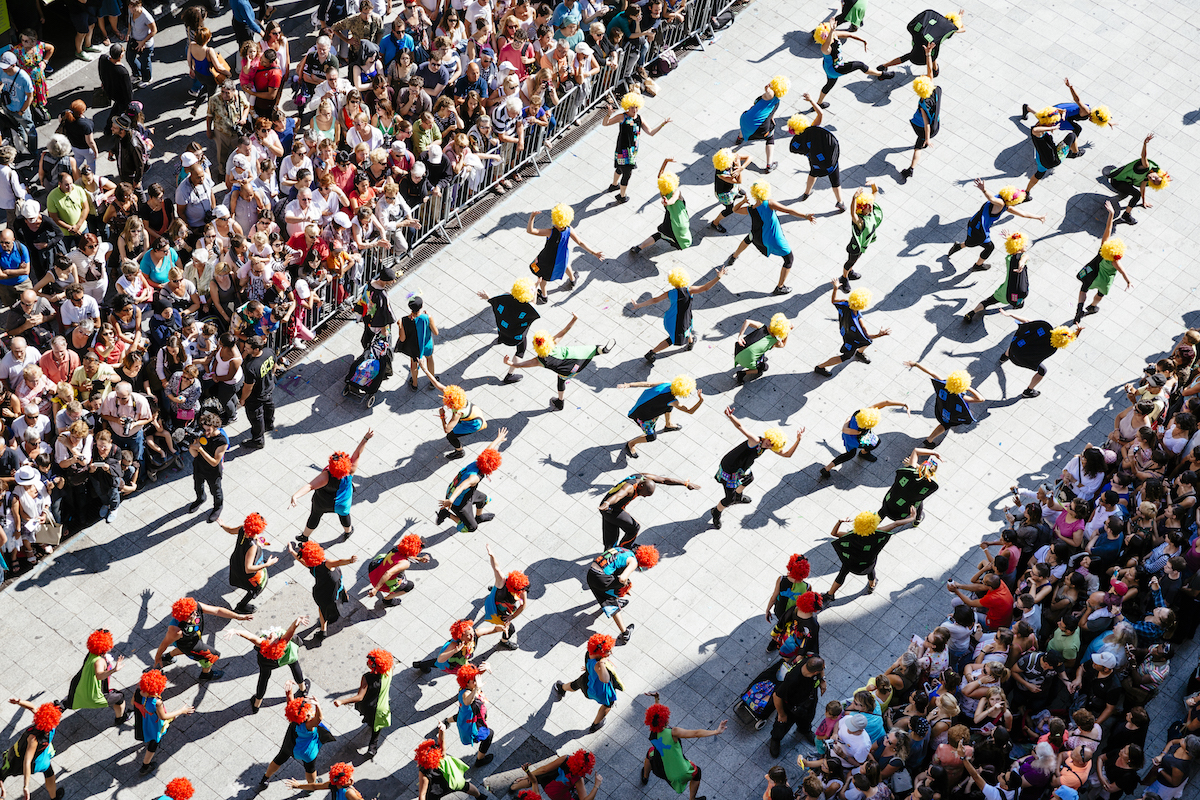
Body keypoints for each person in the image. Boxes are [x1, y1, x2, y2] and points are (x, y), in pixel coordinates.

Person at [710, 408, 803, 529]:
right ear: (768, 436)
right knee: (729, 499)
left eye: (773, 444)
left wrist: (798, 441)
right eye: (770, 440)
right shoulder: (755, 441)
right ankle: (716, 512)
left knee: (749, 478)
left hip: (741, 468)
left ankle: (738, 496)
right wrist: (731, 416)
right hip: (730, 468)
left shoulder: (768, 447)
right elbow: (740, 426)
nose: (769, 444)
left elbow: (787, 454)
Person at [503, 313, 614, 410]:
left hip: (571, 371)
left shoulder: (539, 360)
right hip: (580, 357)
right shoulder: (552, 343)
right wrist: (574, 319)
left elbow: (521, 365)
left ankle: (560, 402)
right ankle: (603, 350)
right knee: (594, 349)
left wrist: (509, 363)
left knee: (561, 381)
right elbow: (565, 330)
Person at [721, 181, 814, 295]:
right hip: (774, 240)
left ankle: (734, 257)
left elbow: (735, 210)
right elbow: (788, 210)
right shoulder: (770, 203)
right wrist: (805, 216)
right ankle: (780, 287)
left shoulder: (751, 209)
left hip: (757, 236)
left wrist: (743, 201)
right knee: (789, 259)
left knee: (748, 239)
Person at [290, 430, 373, 542]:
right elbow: (357, 453)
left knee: (315, 516)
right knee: (344, 516)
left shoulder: (325, 476)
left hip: (322, 502)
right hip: (342, 503)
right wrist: (365, 439)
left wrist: (295, 496)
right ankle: (348, 532)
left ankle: (304, 536)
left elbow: (310, 486)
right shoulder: (350, 470)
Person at [631, 266, 725, 364]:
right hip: (678, 322)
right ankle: (652, 353)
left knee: (688, 328)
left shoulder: (670, 293)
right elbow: (705, 287)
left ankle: (690, 343)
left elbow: (655, 300)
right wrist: (718, 277)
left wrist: (639, 305)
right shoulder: (689, 290)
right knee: (673, 339)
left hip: (671, 318)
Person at [641, 695, 728, 800]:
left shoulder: (654, 730)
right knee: (697, 772)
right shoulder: (673, 732)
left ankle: (645, 777)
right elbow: (696, 733)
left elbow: (656, 716)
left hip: (658, 767)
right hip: (676, 774)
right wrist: (715, 731)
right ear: (665, 719)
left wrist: (656, 699)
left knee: (650, 752)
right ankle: (692, 799)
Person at [947, 179, 1045, 271]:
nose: (1016, 204)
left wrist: (1039, 217)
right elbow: (992, 199)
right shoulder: (1000, 203)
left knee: (986, 246)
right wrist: (984, 190)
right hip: (978, 230)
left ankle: (968, 255)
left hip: (977, 225)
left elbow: (1023, 214)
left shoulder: (1004, 203)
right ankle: (974, 262)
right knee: (979, 245)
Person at [823, 510, 918, 602]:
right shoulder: (878, 533)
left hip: (851, 563)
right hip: (867, 563)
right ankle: (871, 586)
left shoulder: (851, 535)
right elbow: (895, 524)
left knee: (842, 574)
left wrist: (840, 522)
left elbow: (834, 533)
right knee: (871, 571)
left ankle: (830, 594)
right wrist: (912, 518)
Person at [225, 616, 309, 712]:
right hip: (288, 657)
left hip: (267, 663)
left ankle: (256, 705)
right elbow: (291, 630)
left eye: (269, 637)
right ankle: (303, 690)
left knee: (263, 678)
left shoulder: (262, 643)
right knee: (294, 666)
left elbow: (249, 636)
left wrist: (236, 631)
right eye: (270, 637)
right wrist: (296, 623)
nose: (271, 634)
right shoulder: (284, 641)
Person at [526, 203, 604, 304]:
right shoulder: (569, 229)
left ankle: (544, 296)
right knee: (566, 265)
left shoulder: (550, 232)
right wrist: (594, 253)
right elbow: (580, 242)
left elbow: (530, 231)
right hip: (562, 256)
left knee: (542, 278)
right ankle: (572, 280)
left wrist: (532, 217)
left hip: (547, 259)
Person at [598, 471, 698, 548]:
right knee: (634, 528)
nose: (644, 497)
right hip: (611, 509)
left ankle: (612, 554)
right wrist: (607, 503)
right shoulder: (630, 488)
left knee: (610, 543)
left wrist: (685, 483)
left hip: (607, 508)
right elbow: (618, 495)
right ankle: (625, 549)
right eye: (644, 494)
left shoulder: (643, 477)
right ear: (641, 486)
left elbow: (664, 480)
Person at [602, 91, 670, 203]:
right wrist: (608, 114)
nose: (634, 110)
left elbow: (651, 132)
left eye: (636, 107)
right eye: (632, 107)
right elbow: (605, 123)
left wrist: (662, 124)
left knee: (620, 168)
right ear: (627, 106)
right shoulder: (622, 117)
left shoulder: (640, 118)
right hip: (623, 150)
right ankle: (622, 196)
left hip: (632, 152)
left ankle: (614, 185)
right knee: (626, 174)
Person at [585, 543, 659, 644]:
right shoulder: (633, 561)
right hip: (602, 578)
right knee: (615, 595)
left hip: (591, 574)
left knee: (604, 593)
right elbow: (622, 578)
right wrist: (625, 585)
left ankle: (616, 600)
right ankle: (625, 633)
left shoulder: (623, 550)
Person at [811, 18, 893, 110]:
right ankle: (881, 74)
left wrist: (863, 40)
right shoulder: (825, 48)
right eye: (829, 33)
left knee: (829, 84)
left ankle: (818, 104)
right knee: (860, 65)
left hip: (829, 66)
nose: (832, 34)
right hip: (835, 68)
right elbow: (828, 41)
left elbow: (849, 35)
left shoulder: (834, 35)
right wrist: (831, 30)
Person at [436, 428, 507, 532]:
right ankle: (446, 514)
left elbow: (488, 449)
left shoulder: (478, 461)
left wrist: (498, 439)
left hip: (464, 493)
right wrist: (451, 500)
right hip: (458, 502)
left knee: (483, 499)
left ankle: (479, 517)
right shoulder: (474, 478)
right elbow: (461, 486)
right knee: (472, 527)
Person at [1073, 202, 1132, 324]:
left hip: (1091, 273)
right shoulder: (1115, 261)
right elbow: (1123, 272)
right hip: (1104, 280)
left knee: (1084, 289)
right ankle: (1092, 306)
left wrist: (1111, 214)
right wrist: (1128, 282)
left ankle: (1079, 309)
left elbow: (1108, 229)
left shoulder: (1103, 249)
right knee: (1100, 294)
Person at [996, 314, 1082, 398]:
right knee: (1043, 371)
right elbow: (1068, 338)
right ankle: (1028, 391)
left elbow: (1027, 321)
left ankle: (1004, 357)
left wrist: (1010, 314)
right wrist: (1077, 333)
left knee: (1020, 340)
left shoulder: (1044, 327)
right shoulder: (1052, 349)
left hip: (1014, 349)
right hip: (1021, 360)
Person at [618, 376, 703, 458]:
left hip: (640, 407)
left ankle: (668, 425)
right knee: (651, 437)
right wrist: (700, 401)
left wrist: (629, 384)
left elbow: (649, 384)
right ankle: (631, 444)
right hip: (643, 417)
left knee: (669, 406)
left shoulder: (667, 383)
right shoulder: (673, 401)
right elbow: (690, 411)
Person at [903, 361, 985, 446]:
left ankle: (930, 440)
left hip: (940, 409)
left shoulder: (944, 384)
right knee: (948, 423)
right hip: (951, 416)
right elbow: (981, 399)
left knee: (945, 424)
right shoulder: (962, 397)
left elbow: (931, 372)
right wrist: (968, 387)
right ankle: (930, 439)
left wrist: (916, 364)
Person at [288, 539, 356, 641]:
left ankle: (323, 629)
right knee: (325, 610)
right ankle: (323, 630)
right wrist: (350, 560)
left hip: (321, 592)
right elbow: (339, 562)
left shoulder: (312, 567)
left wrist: (292, 551)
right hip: (333, 590)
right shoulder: (327, 564)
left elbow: (300, 560)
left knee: (323, 609)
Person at [819, 401, 908, 479]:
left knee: (873, 443)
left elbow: (885, 403)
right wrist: (847, 422)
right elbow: (844, 429)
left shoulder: (862, 413)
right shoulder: (857, 431)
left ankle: (863, 453)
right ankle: (828, 468)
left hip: (854, 437)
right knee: (851, 454)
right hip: (852, 440)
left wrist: (904, 404)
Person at [258, 685, 323, 789]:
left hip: (289, 745)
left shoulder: (294, 718)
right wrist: (318, 705)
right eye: (308, 710)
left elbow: (290, 703)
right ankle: (310, 787)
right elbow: (319, 719)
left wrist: (289, 690)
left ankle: (265, 778)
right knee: (310, 769)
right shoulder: (309, 725)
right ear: (305, 715)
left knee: (278, 759)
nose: (310, 710)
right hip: (306, 751)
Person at [332, 649, 393, 759]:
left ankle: (372, 747)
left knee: (374, 726)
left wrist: (342, 701)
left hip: (369, 706)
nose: (367, 662)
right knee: (377, 726)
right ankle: (372, 748)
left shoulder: (367, 677)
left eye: (370, 661)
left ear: (374, 666)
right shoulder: (388, 672)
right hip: (381, 707)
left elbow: (359, 697)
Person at [477, 279, 540, 383]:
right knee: (520, 351)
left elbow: (496, 302)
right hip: (516, 338)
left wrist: (488, 297)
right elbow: (534, 302)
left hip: (502, 330)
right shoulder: (529, 309)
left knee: (504, 327)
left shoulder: (505, 297)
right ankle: (509, 375)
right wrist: (536, 287)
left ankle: (499, 340)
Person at [553, 633, 620, 732]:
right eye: (607, 650)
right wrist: (602, 663)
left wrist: (589, 669)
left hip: (586, 681)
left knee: (574, 684)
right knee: (608, 704)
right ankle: (596, 725)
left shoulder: (589, 654)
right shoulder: (599, 665)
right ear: (599, 652)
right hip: (598, 691)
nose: (610, 652)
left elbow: (590, 664)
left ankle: (561, 688)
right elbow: (605, 679)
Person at [875, 8, 965, 77]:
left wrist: (957, 17)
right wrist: (959, 18)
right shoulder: (949, 31)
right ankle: (935, 71)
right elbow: (963, 29)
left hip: (918, 44)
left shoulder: (935, 21)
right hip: (929, 50)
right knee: (933, 56)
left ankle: (883, 66)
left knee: (907, 56)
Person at [963, 231, 1030, 323]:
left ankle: (972, 312)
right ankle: (1017, 304)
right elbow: (1024, 257)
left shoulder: (1008, 258)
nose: (1026, 245)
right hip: (1014, 293)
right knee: (1018, 302)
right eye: (1024, 244)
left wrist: (1009, 239)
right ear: (1019, 245)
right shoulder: (1023, 256)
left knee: (988, 301)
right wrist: (1021, 262)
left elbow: (1016, 253)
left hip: (1004, 291)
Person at [65, 628, 129, 725]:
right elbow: (99, 675)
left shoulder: (92, 652)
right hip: (94, 695)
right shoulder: (99, 661)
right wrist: (114, 670)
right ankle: (120, 718)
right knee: (119, 697)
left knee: (67, 703)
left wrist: (102, 631)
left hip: (79, 686)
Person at [767, 655, 826, 757]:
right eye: (821, 670)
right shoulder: (792, 679)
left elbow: (821, 668)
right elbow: (776, 696)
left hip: (808, 701)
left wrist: (823, 680)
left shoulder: (813, 660)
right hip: (791, 707)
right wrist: (781, 714)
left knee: (807, 719)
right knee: (782, 725)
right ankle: (776, 739)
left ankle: (804, 730)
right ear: (815, 672)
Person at [0, 700, 62, 796]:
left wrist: (26, 786)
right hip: (42, 756)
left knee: (3, 773)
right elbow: (32, 707)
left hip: (32, 762)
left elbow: (27, 762)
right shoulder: (50, 727)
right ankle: (54, 797)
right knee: (49, 773)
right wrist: (19, 702)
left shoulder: (34, 738)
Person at [629, 162, 691, 256]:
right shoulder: (677, 192)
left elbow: (659, 177)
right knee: (672, 237)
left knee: (660, 234)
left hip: (669, 222)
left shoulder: (663, 193)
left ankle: (639, 247)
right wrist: (668, 202)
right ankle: (672, 240)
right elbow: (673, 199)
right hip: (678, 224)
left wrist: (665, 161)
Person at [1106, 133, 1169, 225]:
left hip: (1124, 182)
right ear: (1158, 173)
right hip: (1117, 182)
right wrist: (1145, 144)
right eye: (1155, 177)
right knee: (1136, 195)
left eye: (1153, 181)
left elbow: (1142, 188)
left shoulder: (1147, 178)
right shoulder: (1146, 166)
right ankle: (1126, 216)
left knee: (1130, 194)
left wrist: (1144, 201)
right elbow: (1143, 156)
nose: (1152, 178)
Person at [476, 543, 529, 650]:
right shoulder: (502, 581)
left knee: (497, 589)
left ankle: (493, 589)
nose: (522, 592)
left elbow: (523, 605)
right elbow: (496, 568)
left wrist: (512, 616)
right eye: (519, 591)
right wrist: (492, 556)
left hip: (504, 604)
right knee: (510, 629)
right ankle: (504, 642)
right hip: (496, 607)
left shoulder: (522, 588)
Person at [223, 512, 278, 612]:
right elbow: (248, 569)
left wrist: (222, 525)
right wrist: (267, 564)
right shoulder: (252, 546)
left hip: (236, 562)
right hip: (245, 572)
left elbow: (230, 530)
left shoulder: (242, 529)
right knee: (256, 588)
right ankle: (241, 606)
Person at [901, 44, 940, 181]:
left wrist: (927, 139)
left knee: (918, 148)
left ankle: (910, 169)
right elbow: (930, 71)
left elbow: (926, 124)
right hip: (936, 124)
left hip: (923, 128)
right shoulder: (933, 89)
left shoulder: (923, 104)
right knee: (919, 144)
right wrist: (928, 54)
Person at [415, 728, 487, 800]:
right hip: (453, 780)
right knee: (466, 786)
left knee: (430, 798)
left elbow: (422, 794)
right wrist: (442, 731)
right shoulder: (441, 755)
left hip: (439, 789)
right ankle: (479, 796)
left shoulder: (424, 770)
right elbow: (441, 741)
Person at [735, 77, 787, 173]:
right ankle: (769, 165)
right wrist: (767, 90)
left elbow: (769, 106)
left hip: (745, 118)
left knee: (747, 124)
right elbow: (771, 105)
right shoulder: (774, 99)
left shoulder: (766, 97)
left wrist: (767, 89)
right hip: (757, 127)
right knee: (770, 137)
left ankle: (739, 139)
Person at [878, 448, 941, 525]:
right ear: (932, 474)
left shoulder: (908, 472)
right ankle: (917, 520)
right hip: (903, 512)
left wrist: (934, 453)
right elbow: (925, 476)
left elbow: (916, 451)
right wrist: (918, 467)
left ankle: (871, 526)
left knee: (882, 512)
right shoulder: (929, 486)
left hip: (890, 501)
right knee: (919, 499)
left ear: (922, 466)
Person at [839, 183, 882, 291]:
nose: (871, 206)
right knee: (850, 261)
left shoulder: (869, 213)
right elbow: (852, 214)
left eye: (870, 205)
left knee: (855, 260)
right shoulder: (860, 221)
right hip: (856, 247)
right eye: (868, 206)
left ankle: (850, 272)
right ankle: (844, 278)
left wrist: (873, 184)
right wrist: (854, 198)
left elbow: (875, 192)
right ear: (861, 208)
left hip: (863, 245)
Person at [364, 533, 428, 607]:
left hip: (374, 571)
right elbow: (388, 573)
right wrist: (376, 589)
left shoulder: (397, 548)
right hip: (381, 583)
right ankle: (388, 599)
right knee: (409, 586)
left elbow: (407, 555)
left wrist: (419, 559)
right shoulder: (405, 563)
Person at [186, 410, 228, 523]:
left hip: (213, 471)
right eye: (204, 429)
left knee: (216, 491)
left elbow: (215, 462)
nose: (206, 432)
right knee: (197, 486)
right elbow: (195, 455)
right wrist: (192, 446)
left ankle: (218, 507)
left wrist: (200, 449)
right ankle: (201, 498)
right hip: (199, 466)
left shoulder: (222, 441)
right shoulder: (202, 434)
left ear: (215, 427)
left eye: (208, 430)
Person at [508, 750, 601, 799]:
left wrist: (527, 775)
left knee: (531, 781)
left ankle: (513, 788)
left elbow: (544, 770)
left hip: (546, 778)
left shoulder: (566, 758)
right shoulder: (578, 779)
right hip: (555, 793)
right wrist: (596, 785)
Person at [239, 335, 276, 449]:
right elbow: (274, 366)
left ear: (256, 349)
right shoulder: (269, 352)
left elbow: (248, 387)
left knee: (256, 418)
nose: (245, 349)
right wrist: (270, 377)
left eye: (247, 348)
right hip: (268, 387)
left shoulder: (251, 367)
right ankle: (269, 424)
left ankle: (258, 440)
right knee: (269, 406)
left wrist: (243, 399)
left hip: (256, 396)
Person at [397, 296, 438, 390]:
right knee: (429, 359)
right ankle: (433, 382)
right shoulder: (427, 317)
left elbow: (402, 339)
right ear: (421, 306)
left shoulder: (404, 320)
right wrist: (429, 317)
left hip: (414, 347)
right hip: (427, 345)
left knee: (414, 363)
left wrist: (400, 326)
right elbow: (436, 332)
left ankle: (414, 384)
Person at [710, 148, 752, 232]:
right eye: (727, 165)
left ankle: (736, 193)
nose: (730, 166)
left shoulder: (731, 157)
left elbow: (750, 157)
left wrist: (741, 168)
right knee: (729, 210)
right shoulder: (721, 174)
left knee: (736, 189)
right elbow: (739, 181)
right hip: (724, 193)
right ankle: (715, 223)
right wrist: (738, 167)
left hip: (731, 187)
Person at [283, 762, 361, 800]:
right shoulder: (349, 792)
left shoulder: (333, 784)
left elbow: (314, 786)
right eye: (349, 777)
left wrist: (298, 786)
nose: (352, 778)